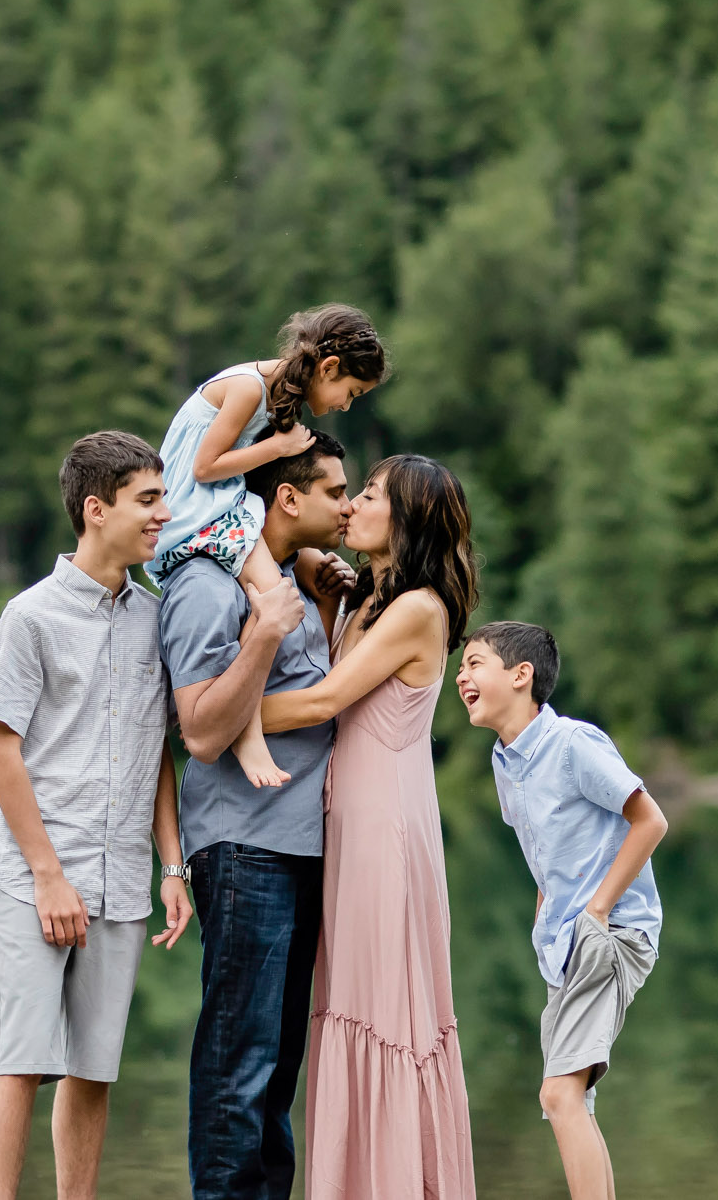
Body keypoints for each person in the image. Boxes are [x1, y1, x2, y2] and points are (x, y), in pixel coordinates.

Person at [0, 431, 196, 1200]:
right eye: (148, 500)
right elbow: (0, 750)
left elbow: (157, 751)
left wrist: (173, 865)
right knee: (24, 1060)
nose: (163, 513)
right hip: (38, 873)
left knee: (94, 1066)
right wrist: (47, 878)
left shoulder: (154, 618)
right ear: (96, 510)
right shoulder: (28, 617)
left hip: (125, 875)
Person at [260, 454, 481, 1199]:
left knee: (388, 1013)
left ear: (410, 519)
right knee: (350, 1006)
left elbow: (323, 702)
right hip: (346, 824)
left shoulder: (419, 607)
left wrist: (214, 717)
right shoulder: (370, 600)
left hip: (386, 825)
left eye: (371, 495)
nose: (351, 504)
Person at [158, 431, 355, 1200]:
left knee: (276, 1073)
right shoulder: (209, 585)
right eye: (336, 490)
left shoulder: (297, 581)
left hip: (299, 847)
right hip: (244, 849)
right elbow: (202, 730)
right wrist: (267, 630)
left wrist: (321, 602)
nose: (346, 503)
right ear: (288, 496)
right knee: (239, 1066)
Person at [455, 621, 669, 1200]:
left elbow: (650, 819)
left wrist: (596, 910)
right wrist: (547, 907)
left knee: (559, 1094)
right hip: (564, 945)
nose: (461, 676)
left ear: (521, 675)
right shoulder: (505, 760)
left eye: (475, 664)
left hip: (611, 933)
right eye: (461, 668)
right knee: (572, 1100)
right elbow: (544, 845)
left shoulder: (573, 744)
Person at [148, 304, 388, 790]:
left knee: (297, 573)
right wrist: (278, 449)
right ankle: (248, 731)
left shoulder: (285, 397)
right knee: (273, 597)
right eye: (350, 392)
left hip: (225, 502)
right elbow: (204, 467)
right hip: (195, 506)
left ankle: (254, 718)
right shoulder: (248, 388)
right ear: (328, 368)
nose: (345, 404)